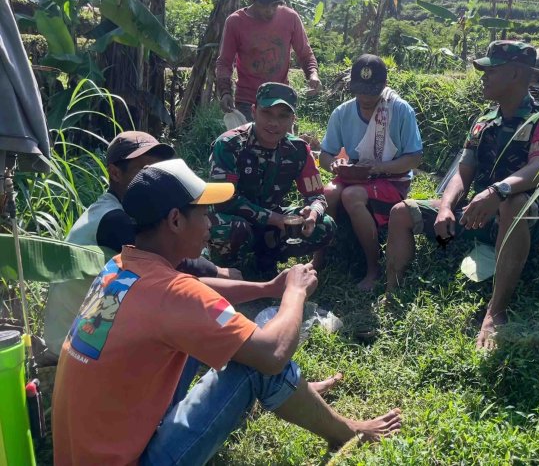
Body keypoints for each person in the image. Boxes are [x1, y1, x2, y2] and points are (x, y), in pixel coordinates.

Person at [52, 158, 401, 465]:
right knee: (256, 363)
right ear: (175, 220)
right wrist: (293, 293)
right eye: (204, 214)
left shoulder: (120, 266)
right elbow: (273, 354)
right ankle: (348, 432)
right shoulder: (172, 294)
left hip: (84, 453)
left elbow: (196, 292)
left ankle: (299, 394)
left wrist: (267, 288)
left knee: (231, 333)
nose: (210, 224)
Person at [385, 41, 539, 350]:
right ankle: (393, 291)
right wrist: (445, 206)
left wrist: (498, 191)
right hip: (477, 214)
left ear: (515, 74)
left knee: (514, 203)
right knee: (402, 212)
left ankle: (495, 312)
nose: (483, 77)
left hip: (525, 220)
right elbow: (463, 170)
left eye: (490, 71)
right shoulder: (483, 121)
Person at [42, 131, 239, 360]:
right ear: (115, 173)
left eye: (158, 169)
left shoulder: (122, 211)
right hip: (76, 346)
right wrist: (220, 272)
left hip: (87, 333)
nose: (155, 177)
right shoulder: (113, 220)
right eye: (144, 171)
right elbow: (178, 263)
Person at [208, 82, 335, 275]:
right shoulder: (229, 145)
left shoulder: (298, 150)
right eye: (267, 113)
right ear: (254, 111)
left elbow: (317, 195)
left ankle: (268, 256)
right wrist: (274, 218)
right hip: (237, 219)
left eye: (283, 116)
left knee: (325, 225)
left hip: (275, 221)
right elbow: (224, 201)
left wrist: (313, 213)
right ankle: (230, 268)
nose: (274, 123)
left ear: (293, 119)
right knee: (230, 229)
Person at [319, 54, 423, 290]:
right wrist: (334, 164)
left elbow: (414, 157)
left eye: (372, 91)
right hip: (354, 175)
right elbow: (326, 154)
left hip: (391, 178)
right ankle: (321, 257)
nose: (366, 97)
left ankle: (373, 269)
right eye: (360, 90)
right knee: (328, 192)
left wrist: (379, 168)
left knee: (351, 196)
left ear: (384, 87)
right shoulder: (342, 113)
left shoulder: (400, 110)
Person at [216, 0, 321, 122]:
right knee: (250, 144)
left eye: (275, 4)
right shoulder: (235, 22)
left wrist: (313, 74)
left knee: (283, 145)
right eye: (265, 5)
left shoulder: (290, 18)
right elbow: (224, 63)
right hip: (248, 102)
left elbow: (305, 53)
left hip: (280, 99)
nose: (271, 10)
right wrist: (225, 92)